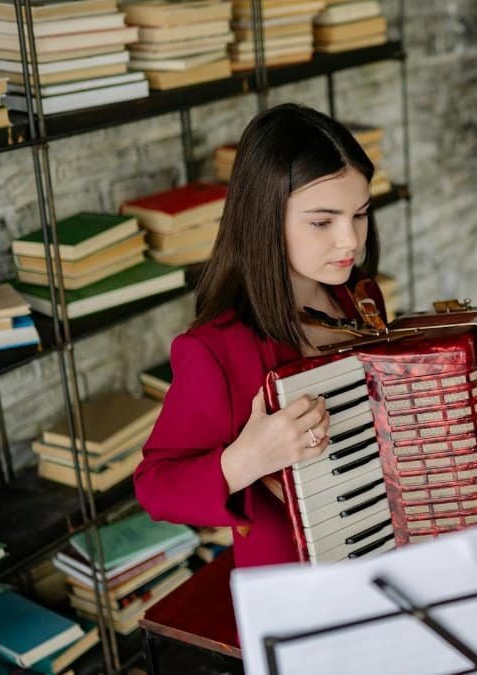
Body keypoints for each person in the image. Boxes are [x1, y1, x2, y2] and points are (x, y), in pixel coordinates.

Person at [134, 103, 386, 568]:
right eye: (322, 221)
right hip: (293, 586)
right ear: (265, 218)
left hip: (383, 542)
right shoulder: (215, 349)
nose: (350, 240)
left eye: (361, 215)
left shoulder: (360, 300)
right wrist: (246, 460)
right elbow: (154, 485)